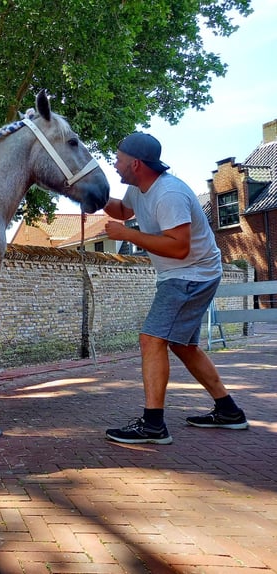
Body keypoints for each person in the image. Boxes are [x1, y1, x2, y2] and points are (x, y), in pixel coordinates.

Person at [103, 132, 248, 444]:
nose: (115, 163)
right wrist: (92, 195)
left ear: (136, 164)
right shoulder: (139, 188)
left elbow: (179, 248)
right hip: (183, 274)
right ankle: (229, 410)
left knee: (151, 340)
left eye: (118, 158)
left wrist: (128, 236)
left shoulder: (169, 194)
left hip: (191, 274)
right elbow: (123, 211)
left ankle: (153, 425)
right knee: (182, 345)